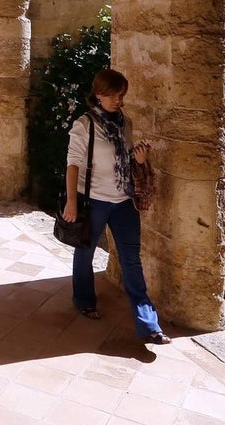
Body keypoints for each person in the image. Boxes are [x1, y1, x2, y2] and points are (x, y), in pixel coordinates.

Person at [62, 68, 170, 345]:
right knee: (85, 254)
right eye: (113, 96)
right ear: (99, 95)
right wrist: (72, 202)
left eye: (121, 96)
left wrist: (141, 161)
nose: (118, 101)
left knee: (131, 260)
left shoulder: (125, 122)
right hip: (94, 200)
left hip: (124, 202)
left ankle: (149, 324)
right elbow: (72, 163)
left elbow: (127, 161)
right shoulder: (84, 125)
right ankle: (84, 299)